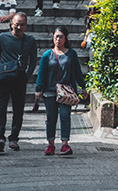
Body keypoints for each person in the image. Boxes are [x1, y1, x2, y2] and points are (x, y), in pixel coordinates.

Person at [34, 26, 86, 156]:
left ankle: (65, 144)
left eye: (61, 37)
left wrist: (83, 86)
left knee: (65, 116)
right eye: (56, 36)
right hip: (50, 90)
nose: (58, 39)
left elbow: (77, 71)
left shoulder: (71, 54)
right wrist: (38, 89)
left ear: (66, 38)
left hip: (66, 91)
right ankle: (50, 144)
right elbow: (41, 73)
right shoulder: (47, 54)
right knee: (51, 118)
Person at [0, 13, 37, 152]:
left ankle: (14, 138)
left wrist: (27, 76)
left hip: (19, 78)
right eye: (17, 24)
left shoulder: (30, 40)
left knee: (18, 110)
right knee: (0, 109)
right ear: (11, 24)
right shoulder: (3, 37)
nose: (19, 27)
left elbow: (33, 61)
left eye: (22, 24)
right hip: (2, 78)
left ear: (26, 25)